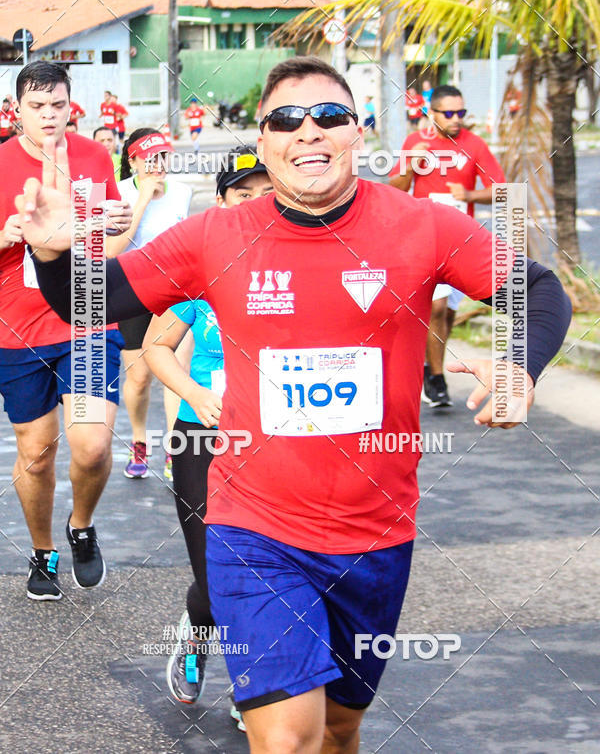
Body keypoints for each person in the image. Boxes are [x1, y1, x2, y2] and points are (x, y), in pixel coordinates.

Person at [21, 56, 571, 752]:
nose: (307, 131)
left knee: (340, 729)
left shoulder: (421, 225)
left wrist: (520, 367)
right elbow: (89, 301)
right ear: (265, 137)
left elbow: (542, 289)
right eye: (286, 119)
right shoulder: (216, 235)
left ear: (357, 131)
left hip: (375, 536)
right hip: (253, 530)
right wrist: (55, 255)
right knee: (287, 739)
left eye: (329, 116)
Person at [144, 146, 272, 729]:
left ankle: (253, 691)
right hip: (201, 439)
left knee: (267, 571)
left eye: (266, 192)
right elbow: (156, 347)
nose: (256, 204)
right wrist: (195, 397)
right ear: (222, 203)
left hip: (276, 443)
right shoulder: (202, 272)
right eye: (243, 193)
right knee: (213, 574)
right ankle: (198, 636)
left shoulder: (302, 266)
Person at [0, 62, 132, 601]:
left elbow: (107, 242)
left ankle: (82, 525)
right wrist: (8, 234)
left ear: (69, 104)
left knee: (93, 445)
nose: (49, 117)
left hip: (86, 317)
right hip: (18, 329)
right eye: (37, 107)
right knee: (36, 453)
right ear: (16, 110)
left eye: (58, 105)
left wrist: (114, 223)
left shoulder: (95, 156)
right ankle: (44, 550)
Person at [389, 84, 507, 406]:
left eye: (462, 113)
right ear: (433, 113)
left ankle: (430, 364)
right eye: (450, 113)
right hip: (422, 238)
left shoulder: (474, 144)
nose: (457, 119)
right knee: (436, 307)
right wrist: (412, 166)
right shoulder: (416, 143)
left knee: (449, 311)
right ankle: (438, 380)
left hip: (462, 240)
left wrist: (468, 196)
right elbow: (396, 188)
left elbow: (503, 190)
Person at [105, 128, 192, 480]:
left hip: (175, 294)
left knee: (175, 374)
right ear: (134, 161)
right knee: (139, 378)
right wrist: (142, 199)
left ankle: (174, 447)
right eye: (150, 158)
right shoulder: (119, 194)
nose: (158, 165)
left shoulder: (182, 192)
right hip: (131, 292)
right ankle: (139, 441)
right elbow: (111, 252)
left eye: (163, 157)